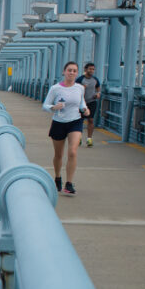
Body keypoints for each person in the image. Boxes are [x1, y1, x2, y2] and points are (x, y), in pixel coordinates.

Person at [42, 61, 88, 195]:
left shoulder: (80, 88)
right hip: (59, 122)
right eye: (69, 70)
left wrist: (85, 109)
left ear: (77, 73)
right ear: (64, 72)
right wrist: (53, 107)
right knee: (58, 154)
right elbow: (45, 105)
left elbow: (81, 102)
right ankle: (57, 177)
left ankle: (69, 183)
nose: (71, 73)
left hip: (75, 121)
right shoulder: (55, 88)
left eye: (74, 71)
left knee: (72, 151)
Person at [80, 62, 101, 147]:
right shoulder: (80, 79)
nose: (92, 71)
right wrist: (82, 88)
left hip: (92, 102)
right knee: (79, 120)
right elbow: (74, 89)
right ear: (86, 69)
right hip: (81, 102)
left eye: (93, 69)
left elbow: (98, 88)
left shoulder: (95, 79)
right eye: (90, 69)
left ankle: (89, 139)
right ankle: (78, 138)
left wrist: (98, 94)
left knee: (91, 120)